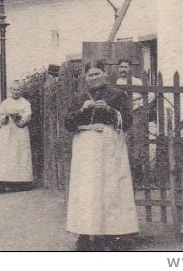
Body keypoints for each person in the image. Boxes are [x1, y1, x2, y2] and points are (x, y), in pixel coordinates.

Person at [65, 60, 138, 251]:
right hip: (85, 149)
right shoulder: (79, 97)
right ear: (85, 78)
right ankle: (84, 235)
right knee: (86, 190)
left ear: (105, 74)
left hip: (108, 146)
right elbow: (68, 123)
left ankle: (109, 236)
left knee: (109, 188)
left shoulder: (116, 94)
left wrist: (110, 110)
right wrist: (82, 110)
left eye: (98, 73)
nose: (94, 77)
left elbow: (128, 121)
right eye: (90, 75)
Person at [0, 82, 34, 194]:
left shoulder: (25, 103)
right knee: (6, 155)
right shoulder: (5, 103)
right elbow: (0, 118)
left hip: (20, 133)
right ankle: (1, 182)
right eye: (14, 89)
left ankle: (21, 182)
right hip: (7, 132)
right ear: (11, 90)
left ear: (21, 90)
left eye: (18, 89)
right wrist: (5, 117)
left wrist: (19, 117)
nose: (16, 91)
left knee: (20, 155)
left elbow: (28, 117)